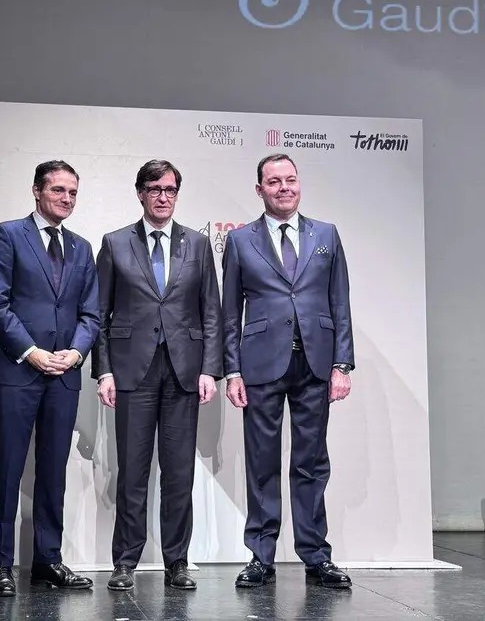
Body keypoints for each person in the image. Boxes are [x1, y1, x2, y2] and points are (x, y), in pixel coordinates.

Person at [221, 153, 355, 590]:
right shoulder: (240, 242)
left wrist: (341, 364)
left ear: (300, 185)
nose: (284, 187)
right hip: (261, 364)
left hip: (315, 363)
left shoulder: (327, 236)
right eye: (274, 181)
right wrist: (232, 371)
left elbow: (340, 303)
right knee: (262, 462)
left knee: (311, 463)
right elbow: (228, 312)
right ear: (259, 189)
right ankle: (260, 557)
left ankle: (316, 556)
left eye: (290, 179)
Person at [94, 159, 223, 591]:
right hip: (133, 372)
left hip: (184, 371)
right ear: (140, 193)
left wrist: (210, 369)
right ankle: (125, 563)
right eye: (155, 189)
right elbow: (100, 315)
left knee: (179, 473)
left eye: (170, 189)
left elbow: (211, 313)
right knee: (132, 472)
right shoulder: (115, 244)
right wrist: (104, 371)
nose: (163, 196)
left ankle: (177, 563)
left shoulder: (199, 245)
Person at [0, 160, 100, 596]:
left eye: (72, 192)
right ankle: (1, 567)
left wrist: (76, 351)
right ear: (36, 191)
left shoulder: (83, 248)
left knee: (54, 471)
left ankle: (48, 561)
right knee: (9, 468)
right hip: (15, 371)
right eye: (57, 191)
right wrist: (31, 352)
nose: (65, 199)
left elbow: (91, 313)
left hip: (63, 374)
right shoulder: (9, 235)